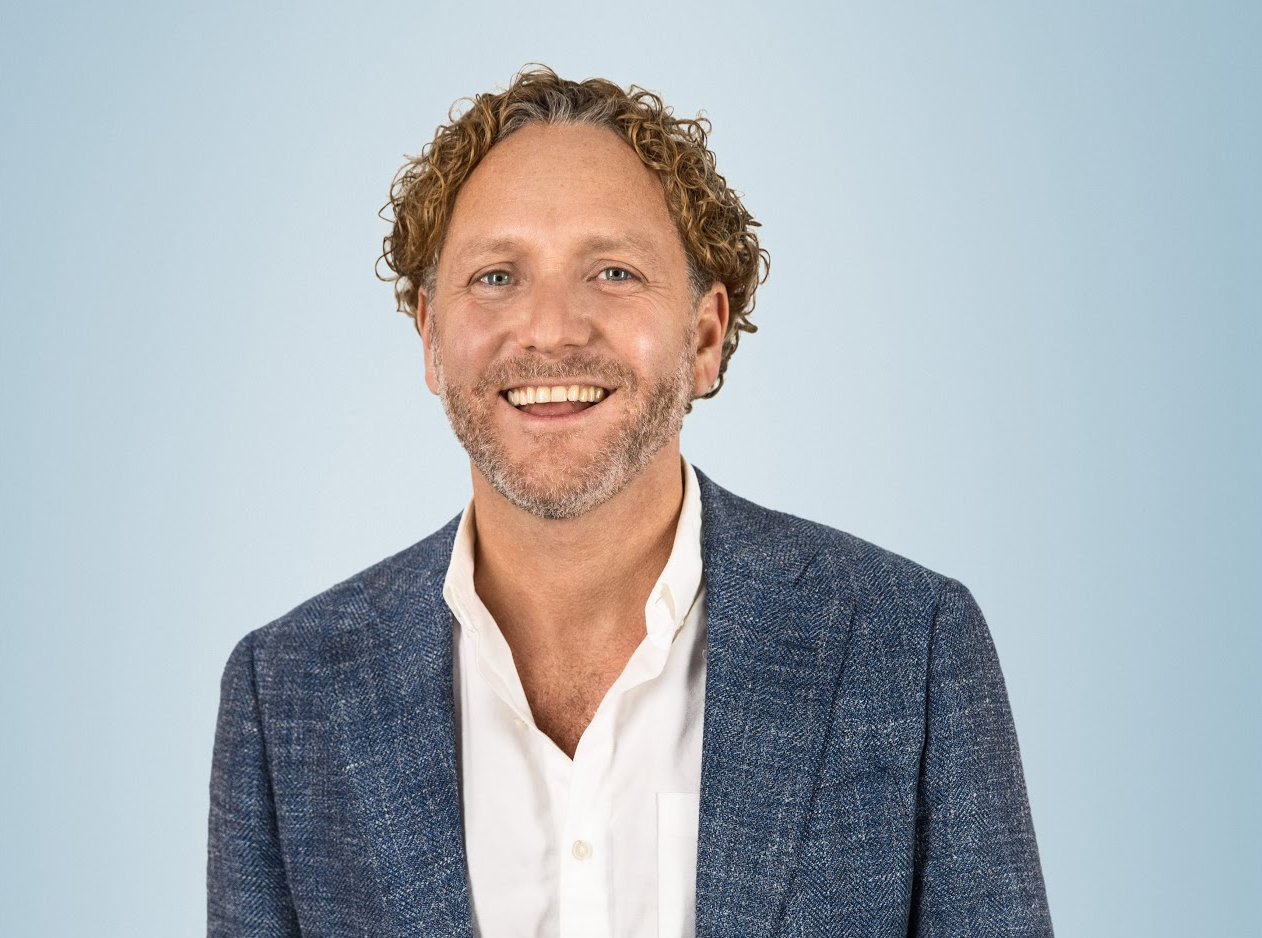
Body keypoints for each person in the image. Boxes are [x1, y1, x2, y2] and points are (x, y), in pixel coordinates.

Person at [208, 66, 1054, 938]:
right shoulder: (288, 694)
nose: (551, 327)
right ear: (430, 337)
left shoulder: (908, 648)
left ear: (705, 336)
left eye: (613, 271)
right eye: (496, 276)